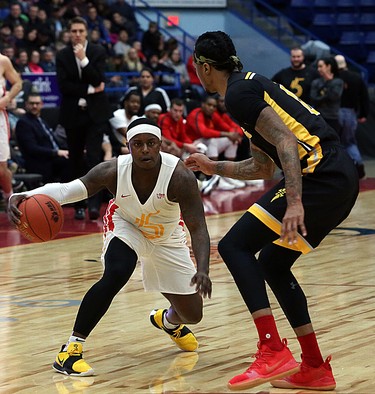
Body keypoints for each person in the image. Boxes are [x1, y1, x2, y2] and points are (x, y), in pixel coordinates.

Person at [186, 31, 359, 391]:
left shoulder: (238, 94)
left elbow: (285, 141)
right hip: (338, 178)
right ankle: (314, 366)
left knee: (234, 246)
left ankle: (272, 350)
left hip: (320, 174)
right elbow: (261, 167)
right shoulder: (249, 88)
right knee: (273, 264)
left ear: (204, 66)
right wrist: (211, 166)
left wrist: (295, 201)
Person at [8, 117, 212, 376]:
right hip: (126, 225)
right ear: (128, 146)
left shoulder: (180, 176)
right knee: (117, 272)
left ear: (160, 145)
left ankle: (168, 321)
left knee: (193, 315)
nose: (145, 149)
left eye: (151, 143)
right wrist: (25, 195)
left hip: (167, 238)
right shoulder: (112, 170)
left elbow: (198, 227)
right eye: (138, 144)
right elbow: (68, 191)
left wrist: (203, 269)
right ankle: (70, 351)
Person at [56, 16, 113, 220]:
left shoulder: (97, 51)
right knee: (76, 159)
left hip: (95, 114)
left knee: (94, 158)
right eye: (74, 31)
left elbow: (99, 78)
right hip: (73, 115)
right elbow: (64, 86)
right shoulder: (62, 55)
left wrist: (83, 60)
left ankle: (95, 204)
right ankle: (78, 204)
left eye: (80, 30)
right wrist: (90, 89)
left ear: (86, 32)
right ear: (69, 33)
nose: (77, 34)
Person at [186, 95, 243, 192]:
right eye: (209, 105)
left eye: (214, 106)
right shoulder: (196, 114)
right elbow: (203, 132)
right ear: (203, 105)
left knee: (231, 141)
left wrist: (235, 135)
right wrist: (228, 134)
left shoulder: (213, 115)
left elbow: (228, 127)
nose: (212, 108)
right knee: (213, 141)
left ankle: (228, 175)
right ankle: (215, 178)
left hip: (204, 144)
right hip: (192, 144)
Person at [15, 93, 70, 183]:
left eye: (37, 103)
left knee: (80, 157)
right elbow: (32, 149)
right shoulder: (24, 123)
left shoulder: (41, 120)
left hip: (53, 158)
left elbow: (55, 142)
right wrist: (56, 152)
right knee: (70, 163)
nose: (34, 106)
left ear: (41, 104)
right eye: (32, 103)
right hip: (41, 162)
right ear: (26, 105)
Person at [334, 54, 370, 179]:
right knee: (350, 142)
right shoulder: (356, 77)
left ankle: (337, 171)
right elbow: (364, 97)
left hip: (334, 112)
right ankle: (359, 169)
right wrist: (363, 114)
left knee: (335, 142)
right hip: (350, 113)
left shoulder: (333, 77)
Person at [0, 53, 22, 205]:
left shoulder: (3, 60)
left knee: (1, 168)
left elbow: (17, 83)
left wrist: (7, 99)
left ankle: (9, 197)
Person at [310, 57, 344, 135]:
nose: (318, 69)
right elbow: (313, 99)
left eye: (321, 66)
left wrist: (328, 83)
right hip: (319, 117)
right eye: (318, 67)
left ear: (328, 66)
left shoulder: (338, 82)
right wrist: (325, 96)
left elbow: (333, 97)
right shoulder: (316, 82)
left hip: (332, 118)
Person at [108, 90, 141, 157]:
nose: (136, 105)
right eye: (133, 102)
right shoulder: (116, 115)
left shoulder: (136, 118)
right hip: (115, 149)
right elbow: (128, 134)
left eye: (138, 103)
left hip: (129, 149)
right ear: (126, 103)